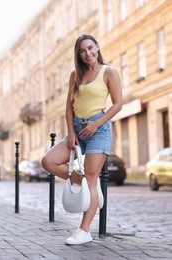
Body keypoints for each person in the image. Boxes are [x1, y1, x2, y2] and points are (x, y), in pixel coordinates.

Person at [41, 34, 122, 245]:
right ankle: (85, 185)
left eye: (91, 48)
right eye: (83, 50)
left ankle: (84, 231)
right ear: (78, 54)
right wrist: (71, 132)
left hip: (98, 129)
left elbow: (117, 104)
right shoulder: (75, 75)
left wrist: (96, 124)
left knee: (92, 180)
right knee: (48, 161)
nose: (88, 53)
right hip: (76, 129)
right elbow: (69, 106)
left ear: (97, 47)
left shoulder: (109, 72)